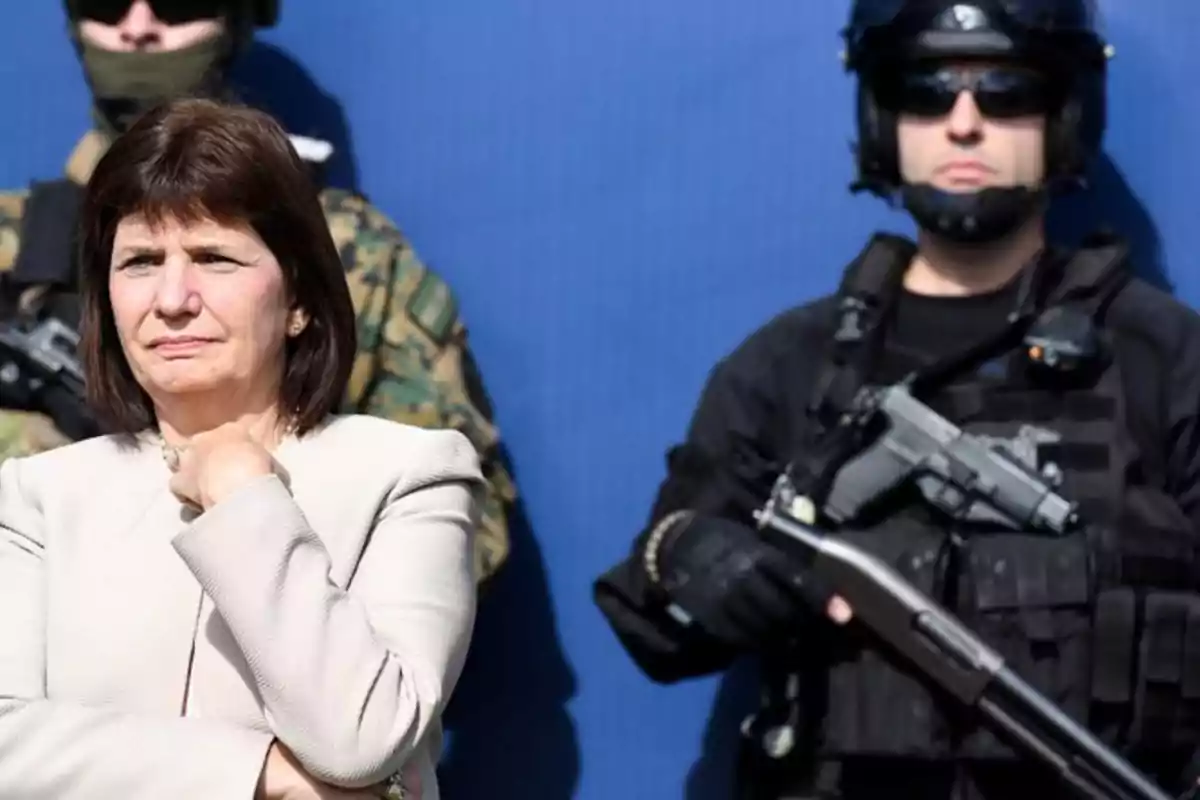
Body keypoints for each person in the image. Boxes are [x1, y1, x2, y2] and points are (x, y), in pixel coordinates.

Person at [594, 1, 1200, 798]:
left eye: (1007, 92)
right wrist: (685, 554)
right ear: (884, 117)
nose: (963, 124)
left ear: (1065, 114)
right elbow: (653, 619)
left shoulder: (1164, 357)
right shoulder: (792, 364)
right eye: (926, 89)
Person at [0, 97, 481, 800]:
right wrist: (260, 773)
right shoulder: (37, 495)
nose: (171, 298)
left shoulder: (408, 475)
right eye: (139, 261)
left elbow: (361, 739)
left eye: (213, 258)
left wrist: (244, 496)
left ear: (298, 300)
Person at [0, 0, 514, 588]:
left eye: (173, 2)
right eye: (106, 1)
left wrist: (265, 520)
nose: (138, 28)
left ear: (235, 21)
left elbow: (467, 521)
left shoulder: (349, 251)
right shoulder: (10, 243)